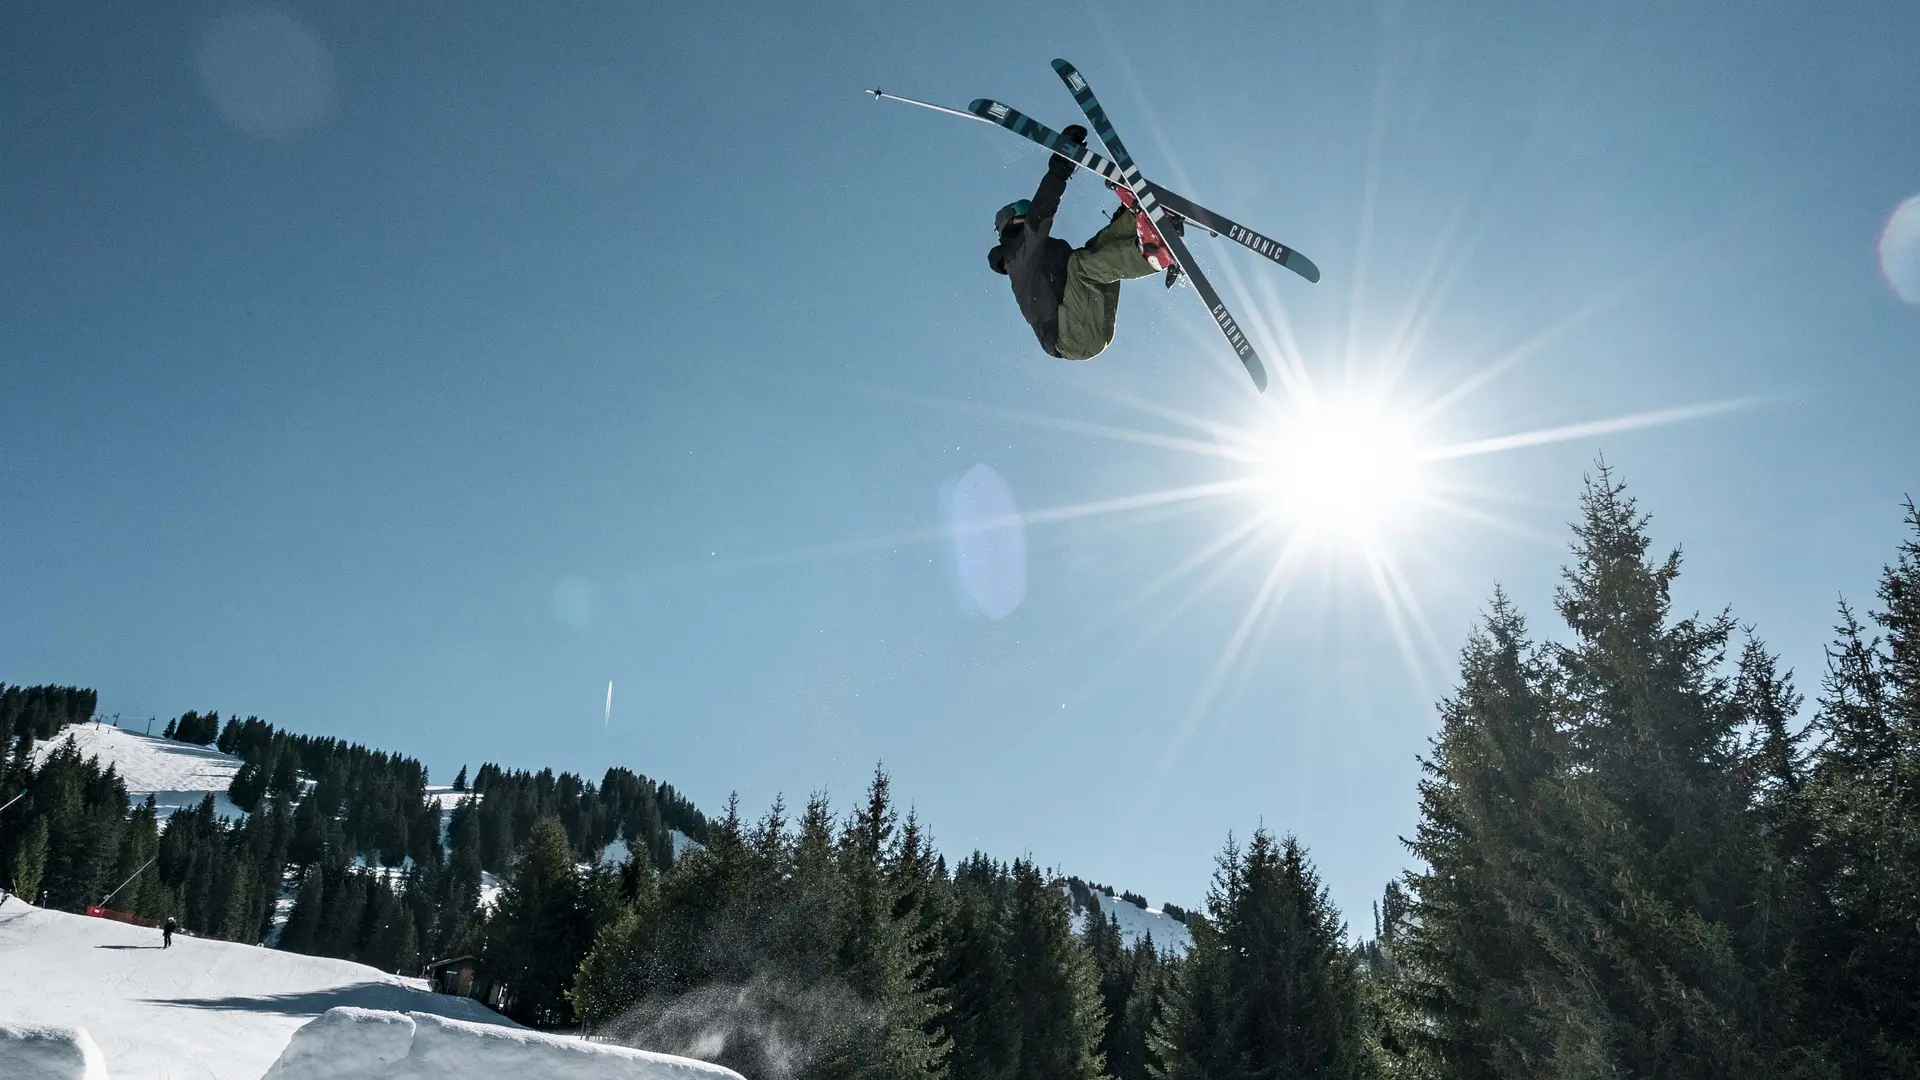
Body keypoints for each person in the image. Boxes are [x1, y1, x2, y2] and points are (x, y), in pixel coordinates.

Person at [986, 124, 1180, 362]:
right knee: (1080, 264)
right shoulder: (1016, 257)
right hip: (1070, 338)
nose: (1028, 212)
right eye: (1023, 209)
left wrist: (1122, 222)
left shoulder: (1046, 252)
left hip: (1091, 318)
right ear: (1011, 222)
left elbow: (1099, 257)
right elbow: (1040, 214)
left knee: (1092, 253)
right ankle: (1151, 255)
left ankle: (1141, 219)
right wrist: (1061, 167)